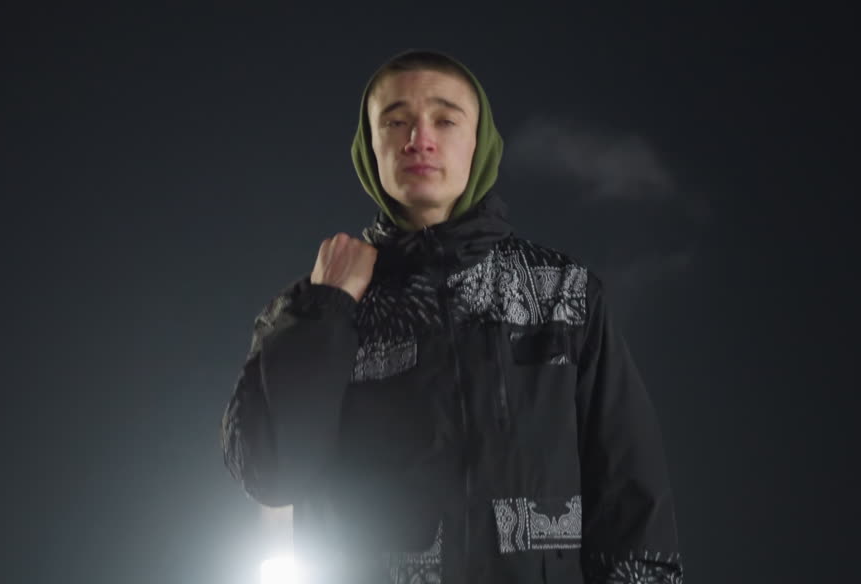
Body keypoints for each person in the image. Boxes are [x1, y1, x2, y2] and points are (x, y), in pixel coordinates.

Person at [220, 50, 684, 583]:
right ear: (370, 146)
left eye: (444, 119)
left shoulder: (562, 295)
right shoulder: (313, 308)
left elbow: (630, 500)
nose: (420, 138)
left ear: (480, 141)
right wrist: (325, 310)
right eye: (395, 121)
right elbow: (272, 474)